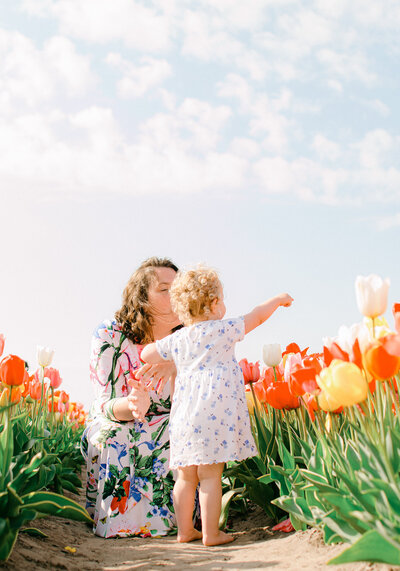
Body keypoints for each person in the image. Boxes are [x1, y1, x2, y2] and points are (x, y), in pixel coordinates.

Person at [141, 266, 293, 546]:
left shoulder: (179, 339)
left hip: (184, 418)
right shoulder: (224, 329)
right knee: (211, 475)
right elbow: (257, 316)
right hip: (214, 418)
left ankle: (185, 531)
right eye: (222, 298)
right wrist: (277, 300)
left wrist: (165, 356)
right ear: (213, 304)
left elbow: (146, 352)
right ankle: (211, 533)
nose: (225, 304)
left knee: (186, 477)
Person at [81, 257, 181, 538]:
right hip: (118, 416)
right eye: (164, 289)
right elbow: (105, 403)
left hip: (170, 421)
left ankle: (178, 521)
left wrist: (176, 364)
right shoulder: (110, 334)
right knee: (115, 434)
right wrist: (133, 404)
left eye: (179, 288)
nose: (175, 295)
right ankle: (117, 524)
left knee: (182, 432)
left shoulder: (191, 338)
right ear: (141, 297)